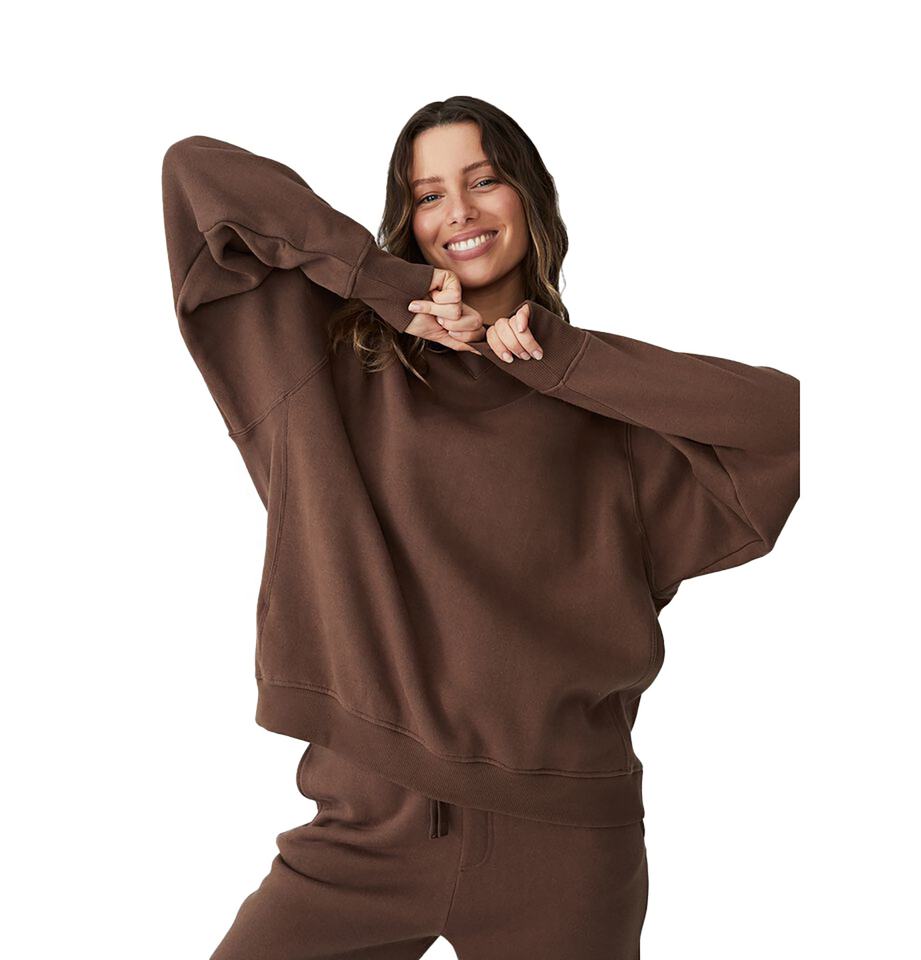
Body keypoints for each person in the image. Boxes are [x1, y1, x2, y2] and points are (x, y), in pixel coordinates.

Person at [160, 95, 800, 959]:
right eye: (428, 195)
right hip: (361, 838)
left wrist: (555, 359)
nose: (458, 210)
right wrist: (398, 292)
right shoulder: (325, 375)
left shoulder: (609, 420)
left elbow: (790, 425)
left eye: (485, 180)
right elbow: (198, 177)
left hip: (567, 851)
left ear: (531, 200)